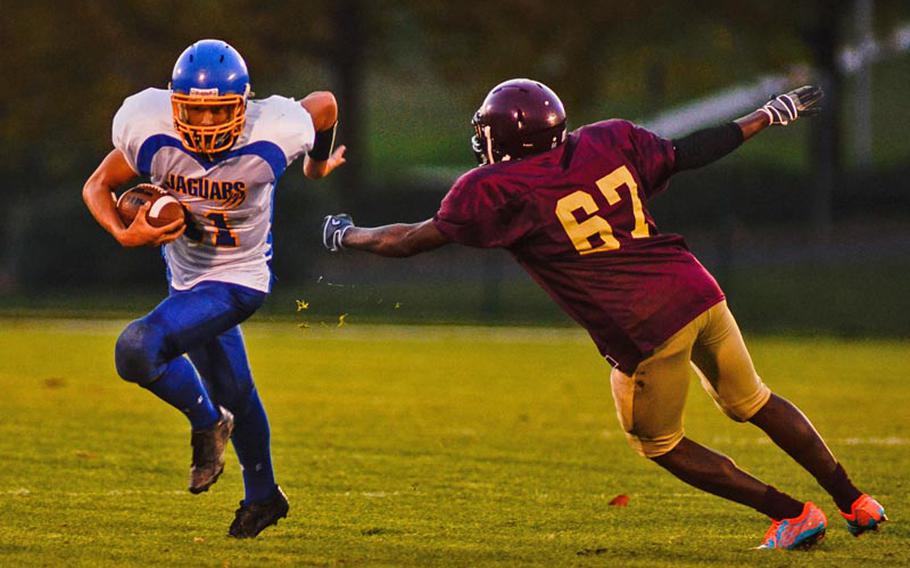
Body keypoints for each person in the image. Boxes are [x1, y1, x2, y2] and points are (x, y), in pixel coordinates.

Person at [321, 78, 887, 550]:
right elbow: (690, 152)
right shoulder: (610, 139)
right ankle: (856, 501)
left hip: (643, 324)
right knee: (754, 400)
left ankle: (792, 513)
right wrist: (764, 116)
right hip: (697, 289)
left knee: (659, 443)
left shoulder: (496, 186)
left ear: (503, 138)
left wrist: (348, 236)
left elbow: (409, 241)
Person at [83, 39, 346, 538]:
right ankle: (264, 497)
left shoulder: (275, 129)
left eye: (218, 112)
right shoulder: (149, 128)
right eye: (193, 113)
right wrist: (124, 232)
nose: (205, 125)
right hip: (185, 280)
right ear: (173, 104)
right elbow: (98, 184)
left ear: (242, 105)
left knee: (136, 349)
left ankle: (207, 424)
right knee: (235, 390)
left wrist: (315, 165)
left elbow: (327, 104)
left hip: (239, 279)